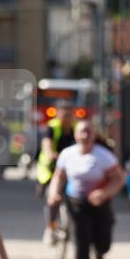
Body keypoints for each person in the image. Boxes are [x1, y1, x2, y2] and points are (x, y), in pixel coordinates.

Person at [47, 120, 125, 259]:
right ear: (75, 134)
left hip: (100, 203)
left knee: (103, 241)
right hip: (76, 202)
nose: (85, 135)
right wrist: (54, 193)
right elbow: (58, 177)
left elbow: (119, 179)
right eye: (81, 132)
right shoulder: (67, 154)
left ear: (94, 134)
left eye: (88, 131)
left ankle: (99, 253)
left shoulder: (104, 156)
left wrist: (104, 193)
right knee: (81, 242)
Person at [37, 104, 76, 243]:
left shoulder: (76, 128)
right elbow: (46, 144)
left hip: (71, 168)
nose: (67, 119)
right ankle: (50, 227)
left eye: (69, 115)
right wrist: (50, 154)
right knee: (53, 198)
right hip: (51, 169)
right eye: (64, 115)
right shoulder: (51, 128)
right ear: (58, 115)